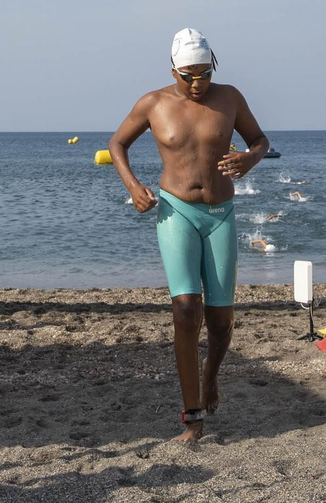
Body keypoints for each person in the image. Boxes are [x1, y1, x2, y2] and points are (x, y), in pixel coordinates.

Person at [106, 29, 270, 443]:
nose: (197, 83)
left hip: (221, 214)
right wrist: (132, 186)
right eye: (188, 76)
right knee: (184, 310)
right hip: (176, 210)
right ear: (173, 69)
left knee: (220, 318)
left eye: (203, 74)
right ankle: (192, 416)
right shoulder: (154, 103)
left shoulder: (229, 97)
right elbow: (117, 143)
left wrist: (250, 159)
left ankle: (210, 378)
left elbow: (260, 140)